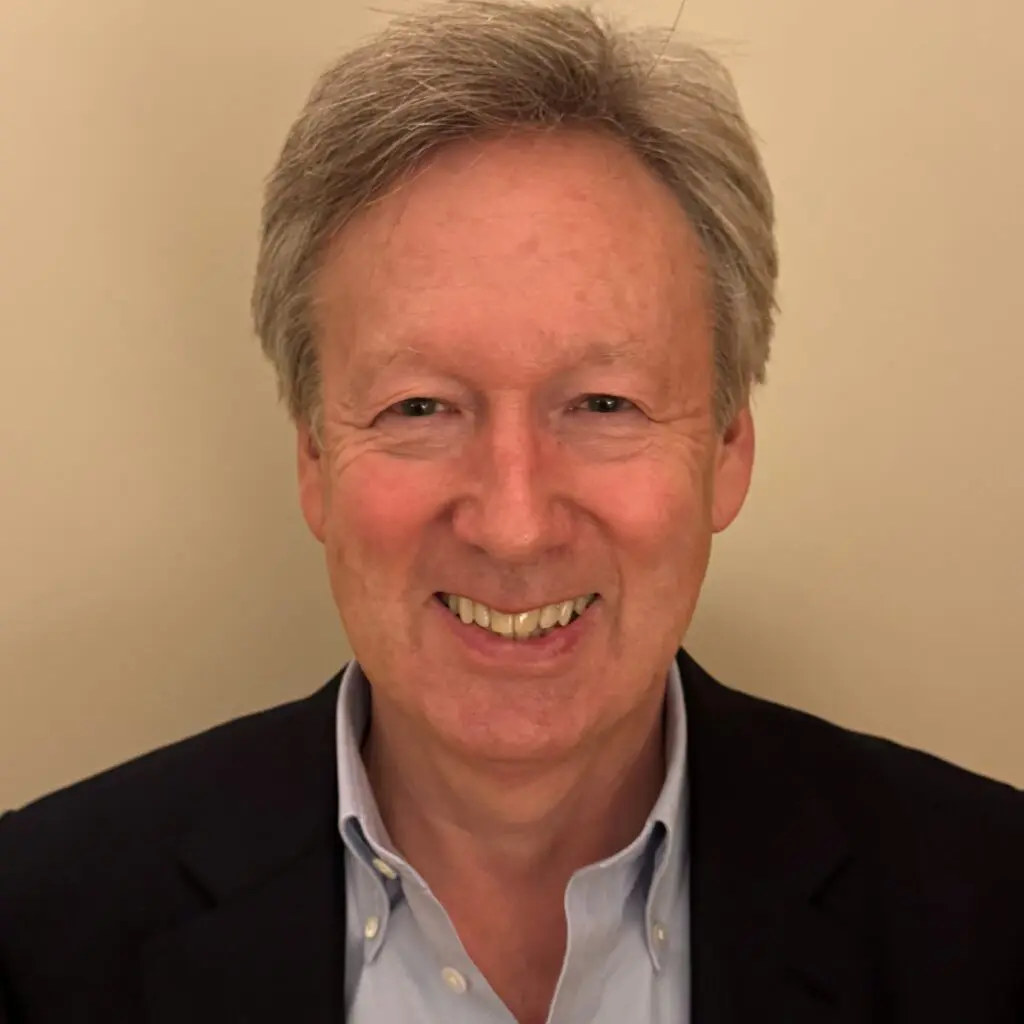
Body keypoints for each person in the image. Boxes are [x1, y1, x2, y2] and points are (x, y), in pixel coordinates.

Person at [1, 1, 1022, 1021]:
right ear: (315, 458)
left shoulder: (994, 913)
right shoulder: (32, 929)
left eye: (604, 405)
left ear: (726, 450)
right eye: (420, 408)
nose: (514, 523)